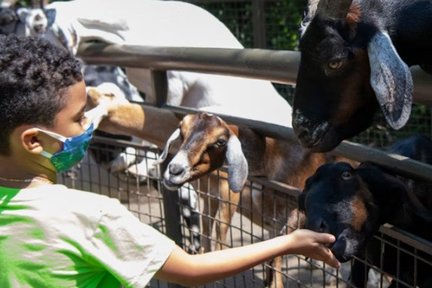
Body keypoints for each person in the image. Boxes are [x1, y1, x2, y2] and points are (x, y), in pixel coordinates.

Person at [0, 34, 340, 287]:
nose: (88, 124)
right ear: (32, 141)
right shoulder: (92, 216)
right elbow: (191, 270)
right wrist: (288, 242)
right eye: (78, 118)